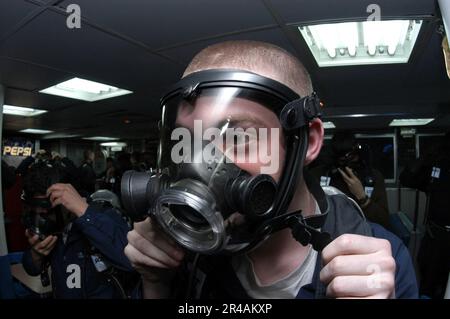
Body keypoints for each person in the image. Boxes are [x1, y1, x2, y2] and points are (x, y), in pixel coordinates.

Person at [124, 40, 417, 299]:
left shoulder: (380, 262)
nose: (199, 164)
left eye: (237, 137)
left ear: (308, 141)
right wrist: (157, 284)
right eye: (188, 141)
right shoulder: (186, 253)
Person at [21, 161, 136, 298]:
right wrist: (36, 255)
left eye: (47, 211)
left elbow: (132, 261)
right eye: (36, 211)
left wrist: (84, 212)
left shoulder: (104, 215)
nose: (42, 217)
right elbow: (31, 268)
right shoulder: (50, 224)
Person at [400, 133, 450, 299]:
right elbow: (407, 179)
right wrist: (426, 157)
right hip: (437, 235)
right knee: (429, 280)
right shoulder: (438, 167)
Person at [310, 131, 390, 229]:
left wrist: (362, 198)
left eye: (352, 157)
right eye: (342, 160)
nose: (347, 165)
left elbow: (384, 221)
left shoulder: (373, 177)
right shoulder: (317, 174)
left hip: (364, 234)